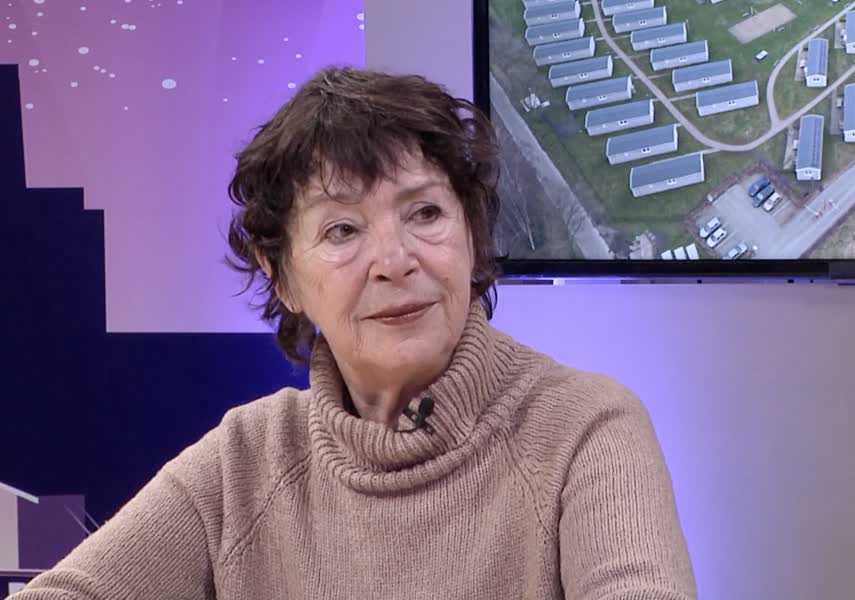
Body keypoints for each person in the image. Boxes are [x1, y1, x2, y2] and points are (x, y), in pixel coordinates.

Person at [12, 67, 696, 599]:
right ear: (282, 276)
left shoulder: (585, 429)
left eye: (425, 213)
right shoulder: (243, 461)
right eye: (342, 230)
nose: (395, 261)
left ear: (471, 233)